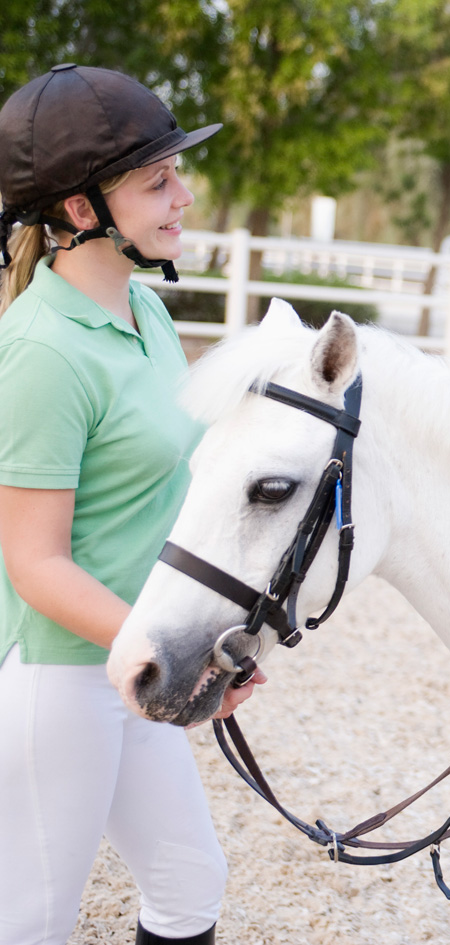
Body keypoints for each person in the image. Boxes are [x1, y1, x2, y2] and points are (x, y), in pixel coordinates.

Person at [0, 64, 264, 945]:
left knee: (189, 884)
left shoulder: (147, 314)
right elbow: (34, 561)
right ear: (82, 211)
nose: (183, 195)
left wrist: (206, 643)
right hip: (59, 677)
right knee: (32, 919)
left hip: (135, 653)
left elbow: (173, 490)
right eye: (157, 181)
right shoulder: (41, 352)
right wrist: (161, 647)